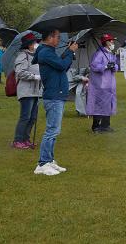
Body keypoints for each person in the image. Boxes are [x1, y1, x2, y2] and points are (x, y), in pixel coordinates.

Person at [34, 28, 77, 175]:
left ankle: (49, 160)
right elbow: (62, 65)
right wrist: (70, 51)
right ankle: (42, 163)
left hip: (56, 94)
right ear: (50, 37)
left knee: (54, 130)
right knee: (51, 130)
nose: (59, 40)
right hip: (53, 95)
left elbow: (61, 67)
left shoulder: (48, 52)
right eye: (58, 37)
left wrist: (68, 52)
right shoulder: (45, 52)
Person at [13, 33, 42, 149]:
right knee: (25, 116)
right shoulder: (22, 56)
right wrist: (34, 77)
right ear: (29, 45)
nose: (36, 44)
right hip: (26, 90)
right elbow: (20, 72)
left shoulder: (35, 56)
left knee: (33, 117)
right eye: (34, 42)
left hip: (36, 91)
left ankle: (26, 139)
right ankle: (18, 140)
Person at [88, 34, 119, 133]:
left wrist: (114, 66)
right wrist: (105, 66)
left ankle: (105, 125)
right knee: (99, 104)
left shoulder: (110, 53)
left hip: (110, 83)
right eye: (111, 41)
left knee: (108, 104)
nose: (113, 42)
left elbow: (116, 65)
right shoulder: (99, 54)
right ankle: (96, 126)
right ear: (106, 42)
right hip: (100, 84)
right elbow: (94, 66)